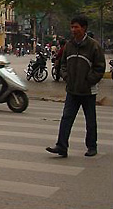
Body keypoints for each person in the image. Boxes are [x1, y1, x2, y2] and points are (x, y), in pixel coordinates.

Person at [46, 16, 106, 158]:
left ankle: (92, 146)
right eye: (72, 27)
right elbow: (63, 64)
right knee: (66, 118)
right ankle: (61, 146)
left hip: (88, 90)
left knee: (90, 120)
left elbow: (99, 68)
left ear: (84, 28)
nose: (73, 30)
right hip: (72, 90)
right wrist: (66, 76)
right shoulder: (69, 45)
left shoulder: (93, 46)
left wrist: (88, 80)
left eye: (76, 27)